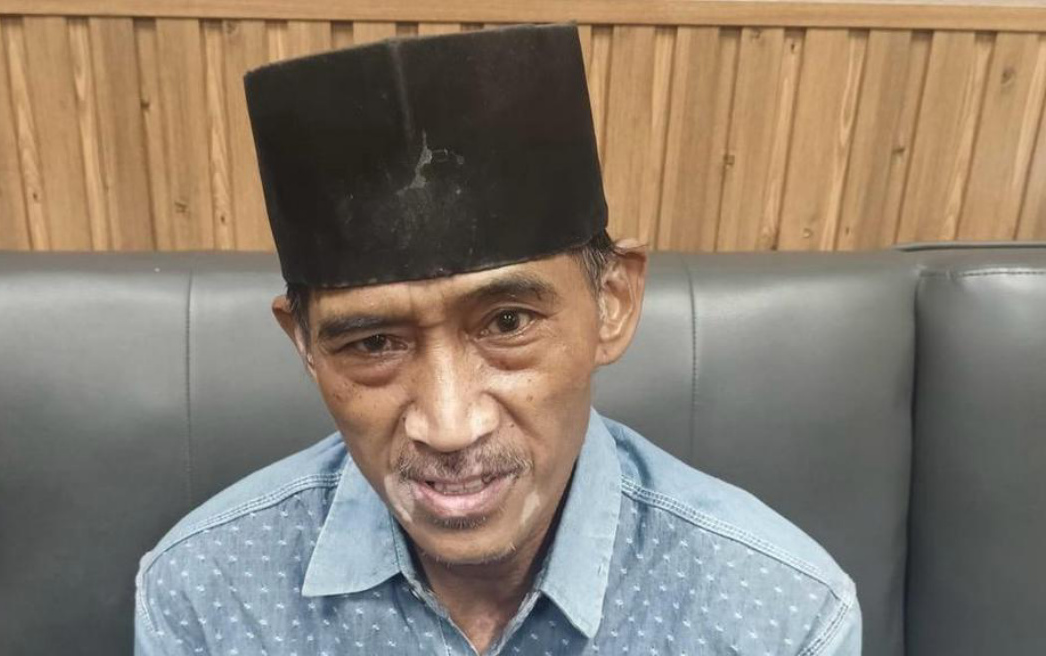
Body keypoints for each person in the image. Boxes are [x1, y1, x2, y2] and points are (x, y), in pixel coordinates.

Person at [133, 23, 861, 656]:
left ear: (611, 303)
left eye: (508, 323)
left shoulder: (780, 617)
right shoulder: (205, 594)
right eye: (374, 343)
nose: (450, 426)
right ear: (305, 347)